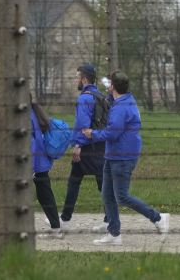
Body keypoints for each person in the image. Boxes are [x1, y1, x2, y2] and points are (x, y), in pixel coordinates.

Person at [81, 71, 170, 246]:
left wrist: (93, 134)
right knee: (108, 194)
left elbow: (113, 133)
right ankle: (114, 234)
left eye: (109, 84)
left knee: (121, 195)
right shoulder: (123, 100)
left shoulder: (121, 106)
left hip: (123, 154)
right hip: (113, 154)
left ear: (113, 87)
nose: (106, 86)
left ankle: (158, 218)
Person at [59, 64, 109, 234]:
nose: (75, 80)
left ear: (84, 80)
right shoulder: (101, 96)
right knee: (101, 183)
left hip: (87, 146)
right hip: (101, 145)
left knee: (75, 182)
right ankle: (109, 220)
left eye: (77, 77)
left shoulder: (84, 98)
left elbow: (82, 124)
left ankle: (65, 220)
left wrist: (78, 145)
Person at [31, 102, 63, 239]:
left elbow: (31, 142)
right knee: (44, 194)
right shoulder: (34, 113)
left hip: (34, 163)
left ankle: (56, 229)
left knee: (44, 195)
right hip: (40, 161)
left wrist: (30, 167)